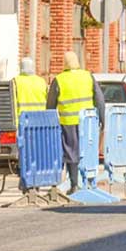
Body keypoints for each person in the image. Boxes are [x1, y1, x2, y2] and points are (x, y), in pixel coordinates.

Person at [47, 51, 105, 193]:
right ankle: (90, 181)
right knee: (89, 151)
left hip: (68, 122)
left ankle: (74, 184)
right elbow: (100, 99)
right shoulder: (88, 76)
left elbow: (50, 105)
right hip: (88, 122)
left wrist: (50, 122)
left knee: (71, 152)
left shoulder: (59, 79)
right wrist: (102, 119)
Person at [12, 58, 48, 126]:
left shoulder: (15, 81)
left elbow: (12, 103)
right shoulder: (41, 81)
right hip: (41, 120)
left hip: (23, 121)